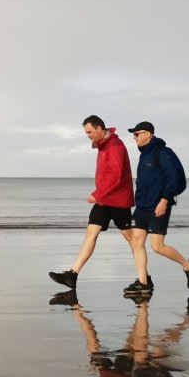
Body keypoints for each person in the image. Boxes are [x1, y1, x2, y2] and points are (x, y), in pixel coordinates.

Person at [49, 115, 135, 290]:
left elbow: (116, 175)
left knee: (131, 238)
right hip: (104, 200)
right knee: (91, 232)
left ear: (99, 128)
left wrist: (97, 193)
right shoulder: (103, 146)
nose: (87, 135)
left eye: (89, 132)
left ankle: (144, 277)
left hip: (118, 200)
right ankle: (72, 275)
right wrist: (100, 195)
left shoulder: (115, 146)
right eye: (85, 132)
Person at [123, 121, 189, 297]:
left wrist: (164, 200)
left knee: (157, 246)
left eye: (137, 134)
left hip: (158, 206)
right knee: (136, 242)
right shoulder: (144, 155)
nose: (134, 137)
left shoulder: (164, 153)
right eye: (133, 134)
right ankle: (143, 283)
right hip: (142, 206)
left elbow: (174, 178)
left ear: (148, 134)